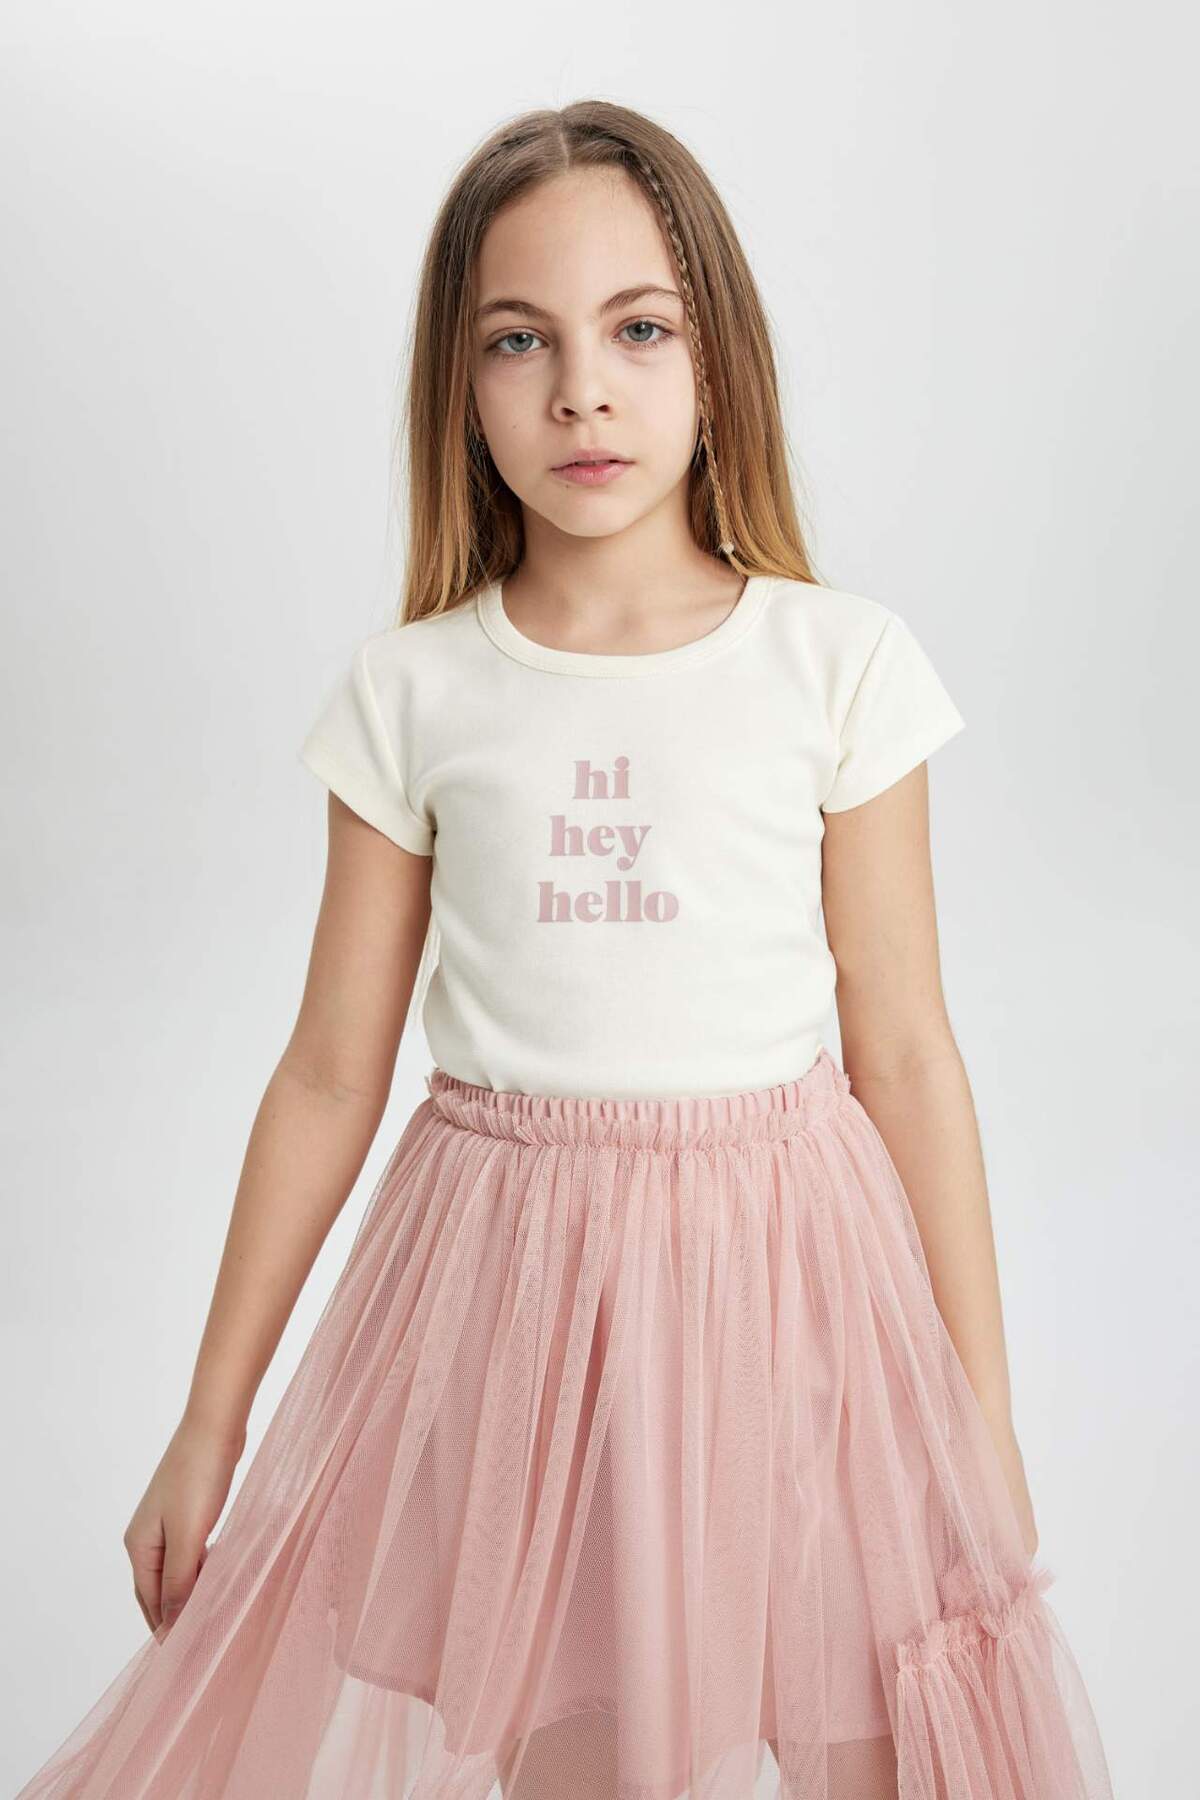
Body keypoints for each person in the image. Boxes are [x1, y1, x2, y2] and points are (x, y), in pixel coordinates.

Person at [15, 98, 1115, 1800]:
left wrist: (983, 1417)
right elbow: (329, 1074)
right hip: (521, 1308)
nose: (582, 391)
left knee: (864, 1722)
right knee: (572, 1745)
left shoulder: (837, 665)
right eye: (519, 340)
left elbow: (905, 1050)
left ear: (717, 359)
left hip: (790, 1294)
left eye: (638, 330)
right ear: (459, 391)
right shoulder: (414, 693)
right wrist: (209, 1421)